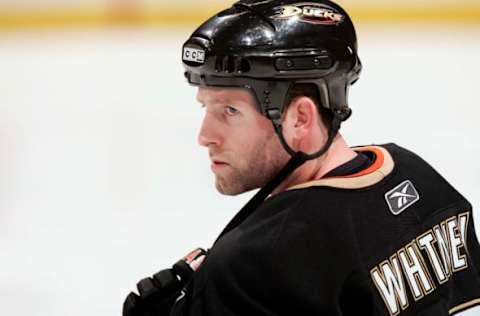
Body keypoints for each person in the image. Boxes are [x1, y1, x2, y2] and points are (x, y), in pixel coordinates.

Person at [123, 0, 480, 315]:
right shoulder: (419, 179)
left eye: (229, 111)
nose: (205, 137)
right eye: (206, 108)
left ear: (300, 118)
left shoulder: (254, 263)